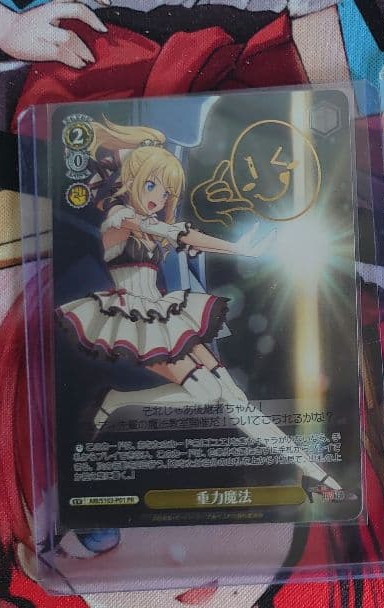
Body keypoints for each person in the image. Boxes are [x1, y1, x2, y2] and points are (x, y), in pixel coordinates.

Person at [55, 119, 347, 497]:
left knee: (236, 400)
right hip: (137, 319)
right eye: (151, 185)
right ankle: (116, 400)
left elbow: (178, 236)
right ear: (131, 179)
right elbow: (174, 232)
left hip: (166, 314)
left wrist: (238, 249)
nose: (158, 198)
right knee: (207, 394)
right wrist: (240, 249)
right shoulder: (119, 218)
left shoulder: (145, 224)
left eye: (165, 191)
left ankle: (313, 471)